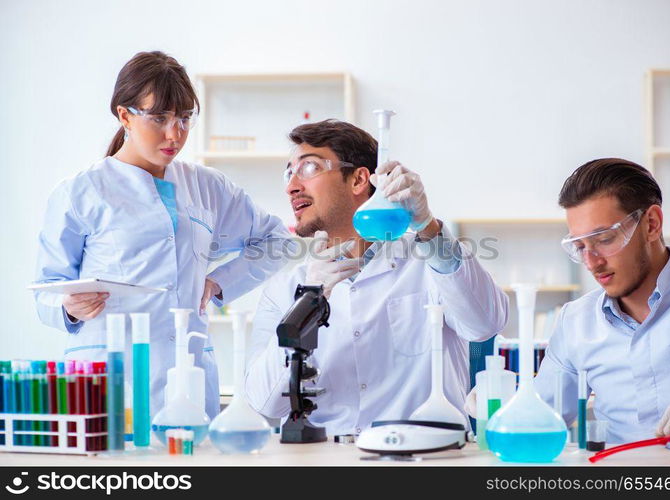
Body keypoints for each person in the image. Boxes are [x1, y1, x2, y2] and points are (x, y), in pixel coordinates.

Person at [34, 51, 291, 419]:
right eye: (159, 118)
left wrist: (218, 282)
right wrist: (67, 307)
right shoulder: (80, 192)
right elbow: (46, 288)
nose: (176, 134)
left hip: (189, 375)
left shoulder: (207, 186)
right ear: (125, 115)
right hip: (111, 376)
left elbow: (278, 241)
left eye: (185, 118)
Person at [244, 119, 509, 436]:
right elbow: (265, 403)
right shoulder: (286, 289)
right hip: (328, 461)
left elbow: (485, 324)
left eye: (309, 168)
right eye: (289, 173)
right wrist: (307, 305)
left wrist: (427, 226)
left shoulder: (426, 261)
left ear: (358, 180)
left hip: (423, 455)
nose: (291, 186)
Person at [466, 158, 670, 444]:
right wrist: (503, 402)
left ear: (651, 224)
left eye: (604, 239)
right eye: (579, 246)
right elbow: (542, 415)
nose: (592, 262)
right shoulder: (577, 320)